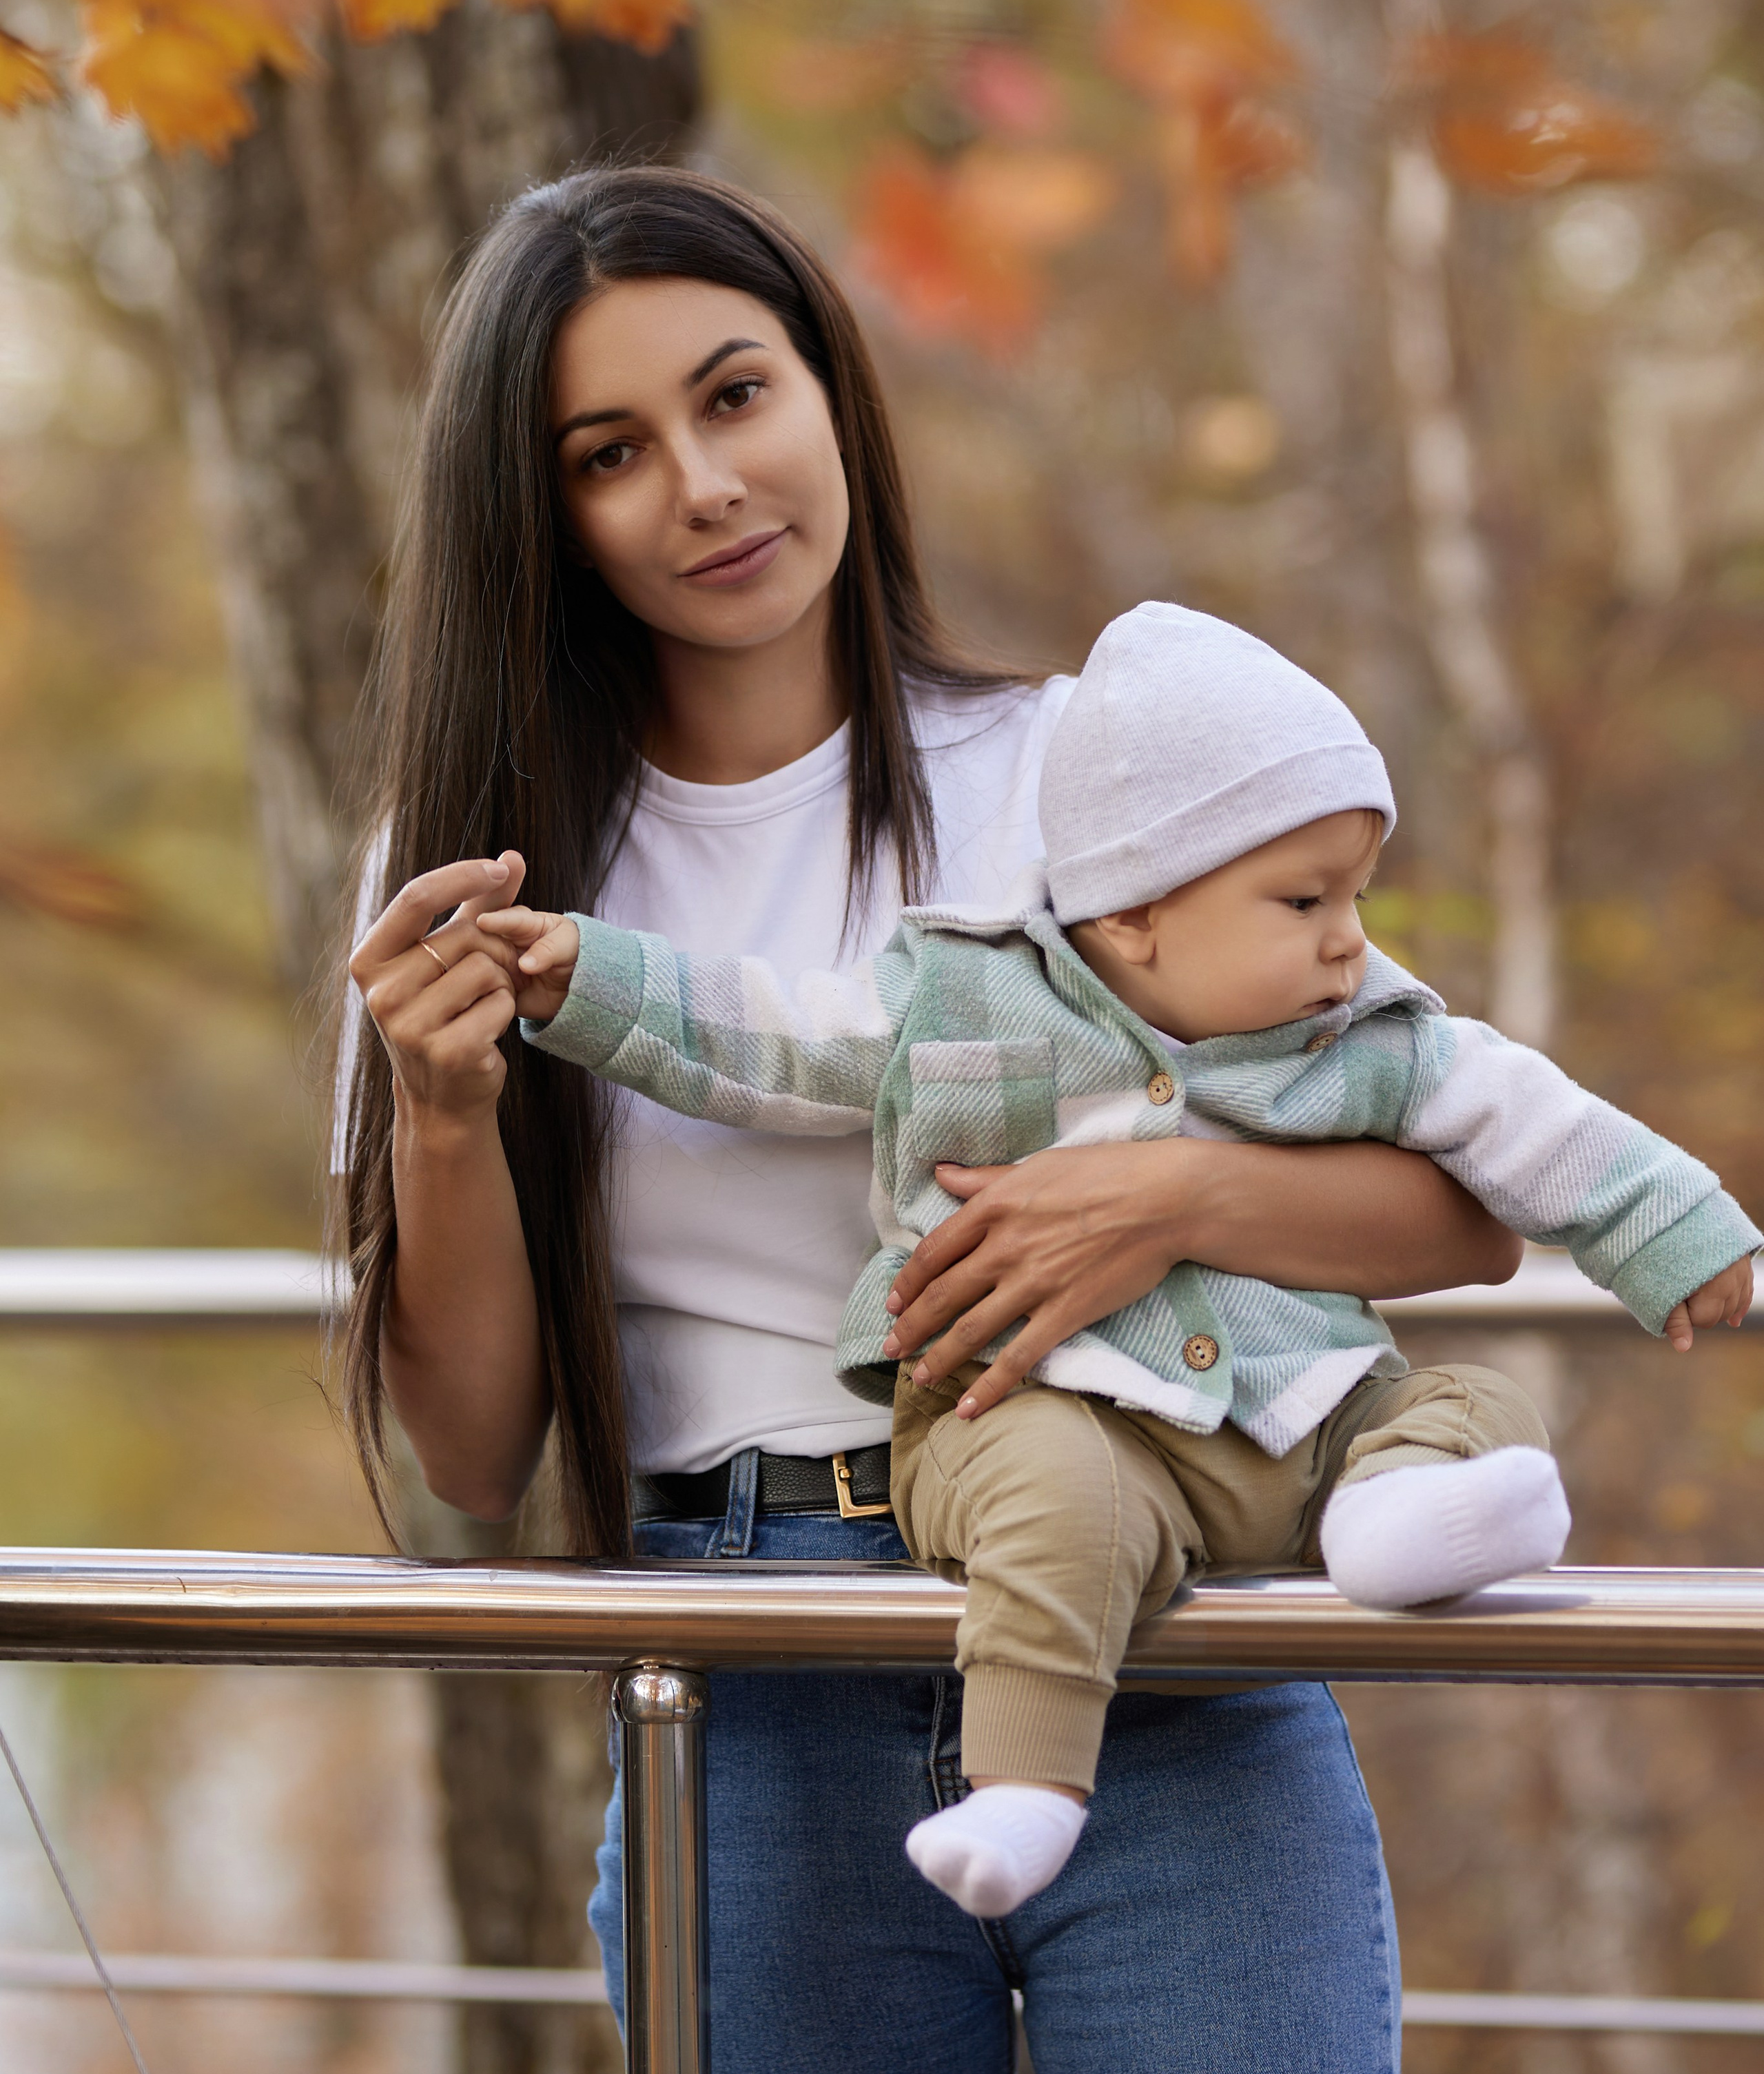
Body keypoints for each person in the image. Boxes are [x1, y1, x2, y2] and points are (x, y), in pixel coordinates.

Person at [339, 165, 1532, 2074]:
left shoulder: (1078, 768)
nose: (703, 485)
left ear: (830, 391)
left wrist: (1175, 1188)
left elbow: (1456, 1191)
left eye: (736, 393)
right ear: (547, 515)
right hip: (753, 1688)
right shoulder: (484, 864)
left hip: (1163, 1642)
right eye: (609, 453)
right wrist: (440, 1110)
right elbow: (469, 1451)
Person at [474, 599, 1758, 1920]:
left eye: (1356, 896)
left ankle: (1400, 1515)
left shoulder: (1358, 1029)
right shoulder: (964, 993)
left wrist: (1686, 1238)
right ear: (1139, 913)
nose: (1349, 940)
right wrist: (588, 980)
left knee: (1470, 1403)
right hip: (1032, 1409)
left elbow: (1535, 1124)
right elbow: (768, 1036)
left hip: (1295, 1416)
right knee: (1057, 1509)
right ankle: (1029, 1787)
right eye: (1305, 900)